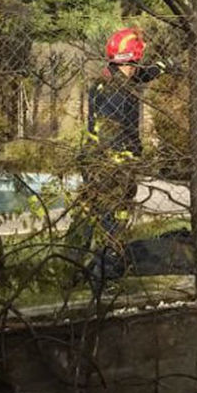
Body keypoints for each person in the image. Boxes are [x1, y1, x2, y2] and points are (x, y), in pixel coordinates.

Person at [79, 27, 168, 289]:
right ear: (132, 59)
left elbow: (142, 75)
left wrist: (164, 66)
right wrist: (132, 156)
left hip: (99, 161)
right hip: (111, 165)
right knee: (112, 219)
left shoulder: (108, 79)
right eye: (135, 64)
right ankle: (104, 276)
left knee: (103, 216)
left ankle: (95, 267)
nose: (135, 69)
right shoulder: (118, 91)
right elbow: (115, 132)